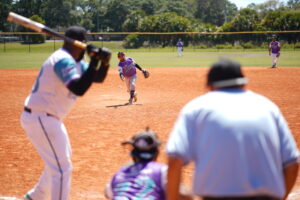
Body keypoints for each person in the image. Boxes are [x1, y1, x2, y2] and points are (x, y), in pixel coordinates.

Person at [166, 58, 299, 200]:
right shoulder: (269, 107)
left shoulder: (195, 108)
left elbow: (175, 160)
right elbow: (293, 162)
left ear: (209, 85)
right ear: (244, 83)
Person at [21, 26, 111, 200]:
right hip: (40, 117)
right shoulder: (62, 60)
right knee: (62, 168)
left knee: (59, 160)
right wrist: (94, 61)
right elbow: (79, 88)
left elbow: (96, 77)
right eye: (84, 42)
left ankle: (36, 196)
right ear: (79, 44)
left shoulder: (76, 62)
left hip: (48, 119)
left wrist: (104, 62)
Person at [105, 128, 193, 200]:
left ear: (133, 153)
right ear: (156, 153)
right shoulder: (161, 171)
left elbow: (107, 193)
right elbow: (184, 195)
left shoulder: (119, 174)